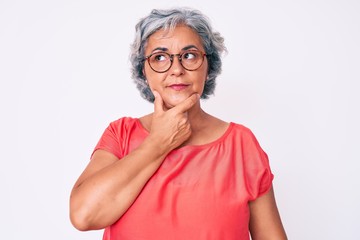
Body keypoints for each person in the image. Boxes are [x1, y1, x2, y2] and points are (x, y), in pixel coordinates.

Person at [69, 7, 287, 240]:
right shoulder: (121, 134)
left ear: (208, 65)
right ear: (144, 70)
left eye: (189, 55)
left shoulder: (241, 144)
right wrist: (158, 142)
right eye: (160, 57)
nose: (176, 69)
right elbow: (84, 216)